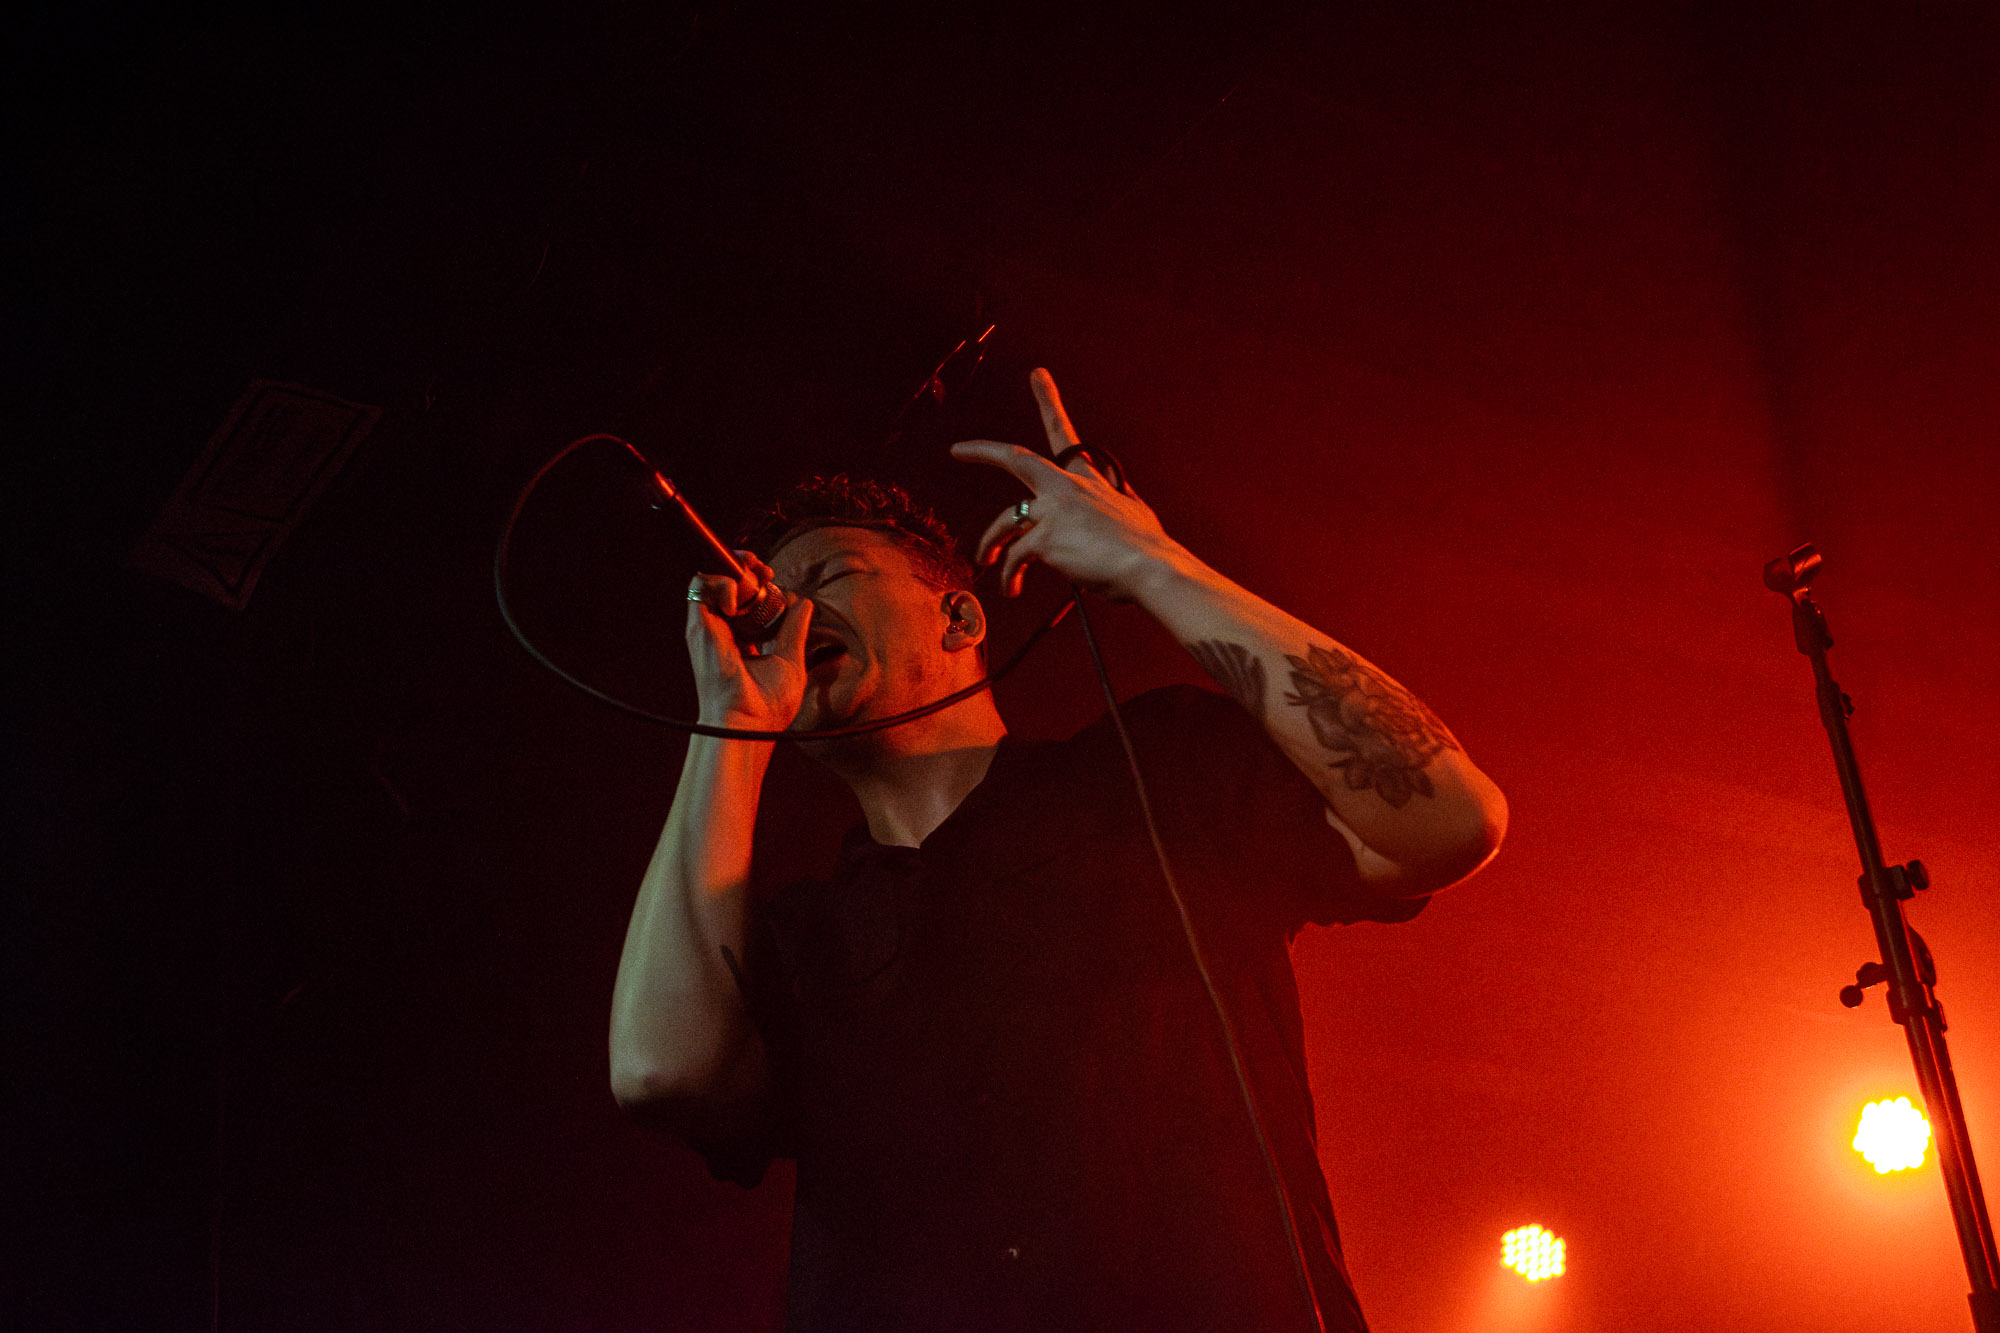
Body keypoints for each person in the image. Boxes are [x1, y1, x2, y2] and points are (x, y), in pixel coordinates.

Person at [609, 369, 1508, 1332]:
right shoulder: (805, 939)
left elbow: (1448, 816)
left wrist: (1153, 563)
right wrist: (728, 723)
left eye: (828, 579)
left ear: (960, 618)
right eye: (773, 601)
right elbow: (660, 1072)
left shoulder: (1154, 773)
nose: (786, 614)